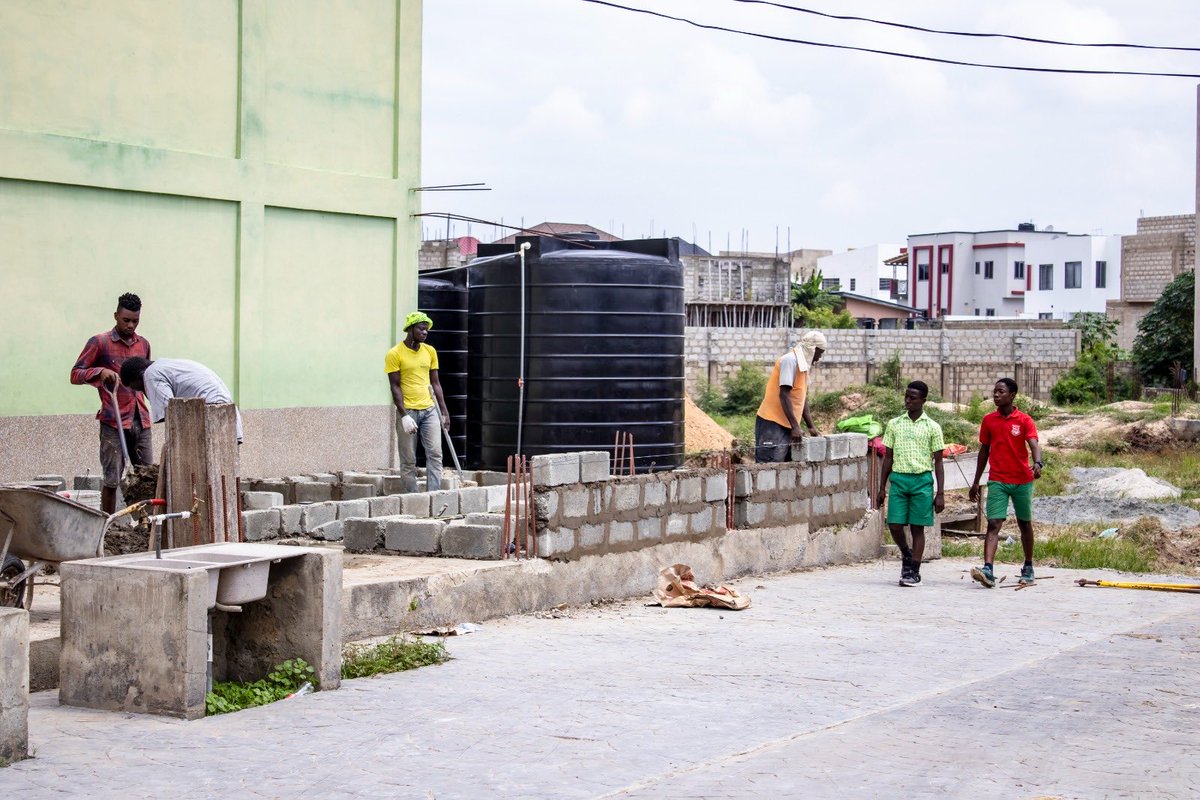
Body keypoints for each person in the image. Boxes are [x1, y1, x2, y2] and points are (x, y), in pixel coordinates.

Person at [70, 292, 153, 513]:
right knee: (112, 479)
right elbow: (75, 374)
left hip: (141, 421)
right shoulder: (100, 342)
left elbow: (148, 380)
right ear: (116, 316)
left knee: (147, 478)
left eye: (135, 321)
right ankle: (108, 524)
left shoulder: (143, 345)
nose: (130, 325)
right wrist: (100, 372)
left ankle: (146, 525)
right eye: (126, 320)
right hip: (113, 422)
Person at [968, 378, 1042, 588]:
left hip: (1022, 480)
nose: (996, 395)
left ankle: (1028, 566)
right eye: (995, 391)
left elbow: (1034, 444)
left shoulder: (1024, 420)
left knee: (1024, 523)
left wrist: (1038, 463)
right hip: (997, 480)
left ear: (1012, 395)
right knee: (993, 523)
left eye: (1001, 392)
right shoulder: (988, 420)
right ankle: (988, 569)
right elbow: (984, 451)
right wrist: (976, 481)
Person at [876, 380, 945, 587]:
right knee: (894, 524)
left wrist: (940, 493)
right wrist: (881, 488)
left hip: (922, 481)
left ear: (923, 400)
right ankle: (906, 553)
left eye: (912, 398)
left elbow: (938, 462)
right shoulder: (895, 424)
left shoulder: (932, 427)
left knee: (917, 528)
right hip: (899, 480)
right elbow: (888, 458)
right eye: (906, 396)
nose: (907, 401)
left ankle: (914, 570)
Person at [385, 311, 451, 493]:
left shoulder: (430, 351)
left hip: (430, 409)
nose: (425, 332)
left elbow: (436, 383)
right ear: (410, 329)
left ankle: (434, 496)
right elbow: (394, 386)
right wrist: (404, 416)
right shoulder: (395, 353)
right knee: (408, 460)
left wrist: (444, 412)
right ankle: (412, 498)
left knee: (435, 454)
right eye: (421, 329)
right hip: (408, 411)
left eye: (426, 330)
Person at [119, 357, 243, 443]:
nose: (144, 391)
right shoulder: (165, 365)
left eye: (139, 388)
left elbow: (169, 412)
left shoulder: (151, 374)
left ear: (139, 377)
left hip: (211, 414)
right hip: (228, 415)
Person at [753, 330, 827, 462]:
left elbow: (802, 398)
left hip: (786, 424)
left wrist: (811, 426)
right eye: (819, 353)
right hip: (772, 422)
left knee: (783, 465)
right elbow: (784, 395)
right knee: (768, 465)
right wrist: (795, 426)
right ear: (812, 349)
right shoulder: (790, 361)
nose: (819, 358)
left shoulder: (803, 367)